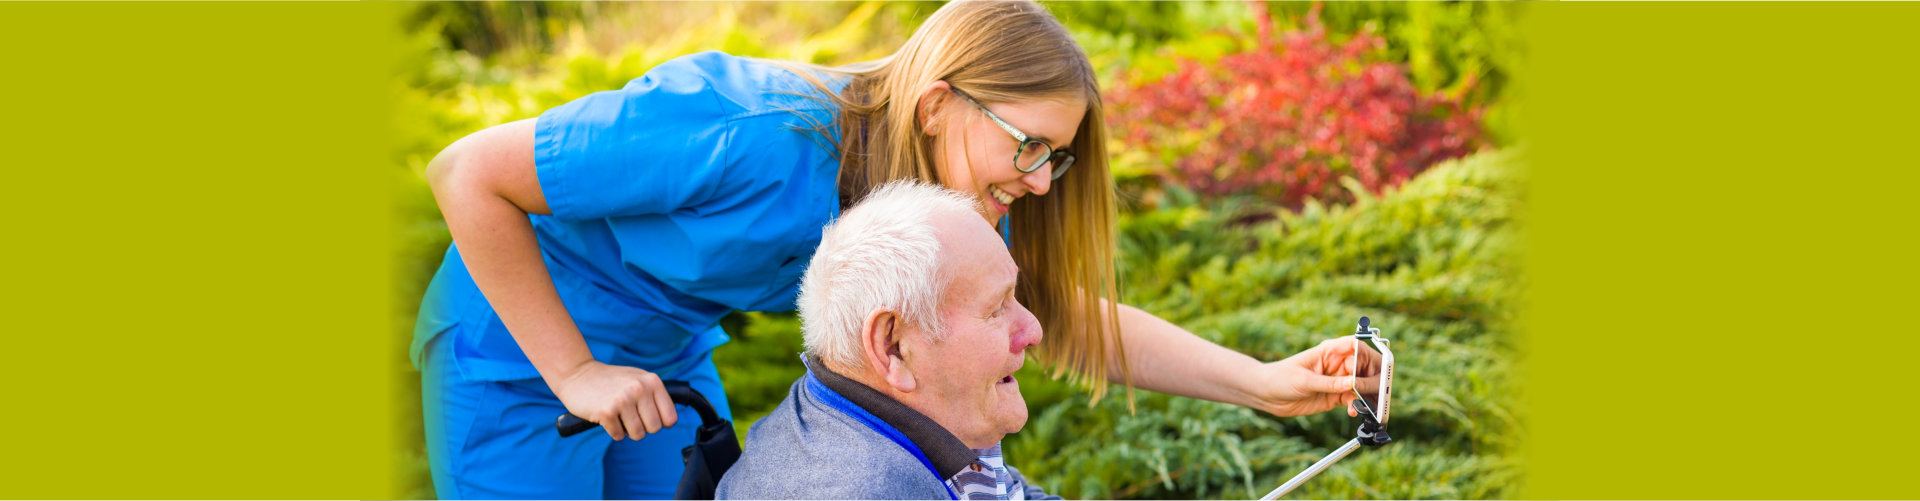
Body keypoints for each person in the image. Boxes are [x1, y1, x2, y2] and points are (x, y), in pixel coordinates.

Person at [413, 1, 1360, 498]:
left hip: (660, 370)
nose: (1038, 179)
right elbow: (467, 174)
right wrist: (575, 370)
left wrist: (1269, 384)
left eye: (1057, 160)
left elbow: (1060, 315)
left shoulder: (943, 190)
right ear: (940, 101)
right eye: (1027, 146)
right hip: (517, 356)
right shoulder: (743, 126)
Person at [717, 181, 1058, 500]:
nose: (1033, 331)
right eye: (996, 308)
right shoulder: (869, 488)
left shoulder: (846, 402)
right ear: (892, 347)